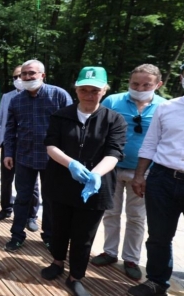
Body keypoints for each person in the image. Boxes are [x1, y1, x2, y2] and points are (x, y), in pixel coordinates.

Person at [40, 66, 126, 296]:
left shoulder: (114, 120)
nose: (89, 94)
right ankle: (57, 262)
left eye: (95, 90)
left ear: (104, 91)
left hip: (95, 188)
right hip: (61, 181)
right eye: (84, 89)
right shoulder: (61, 116)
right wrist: (71, 164)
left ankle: (75, 275)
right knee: (58, 228)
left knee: (84, 235)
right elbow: (51, 145)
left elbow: (114, 153)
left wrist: (96, 174)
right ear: (76, 89)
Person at [91, 64, 166, 280]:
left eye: (146, 85)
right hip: (111, 167)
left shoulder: (164, 107)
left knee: (137, 217)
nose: (140, 88)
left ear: (158, 85)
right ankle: (110, 252)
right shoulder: (112, 101)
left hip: (145, 172)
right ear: (128, 82)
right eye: (135, 83)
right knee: (111, 212)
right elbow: (98, 131)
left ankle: (131, 259)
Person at [3, 59, 72, 252]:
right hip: (24, 156)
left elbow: (70, 127)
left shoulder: (59, 95)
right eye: (24, 74)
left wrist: (68, 156)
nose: (27, 77)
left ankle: (49, 236)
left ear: (43, 75)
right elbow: (10, 128)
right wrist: (8, 153)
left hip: (53, 158)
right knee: (22, 197)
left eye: (31, 73)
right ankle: (17, 235)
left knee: (50, 199)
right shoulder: (16, 100)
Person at [127, 65, 184, 296]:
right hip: (162, 178)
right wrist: (139, 175)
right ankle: (157, 282)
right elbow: (150, 143)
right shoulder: (168, 107)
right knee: (159, 235)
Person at [0, 65, 40, 233]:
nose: (19, 79)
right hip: (9, 143)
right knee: (6, 179)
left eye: (22, 75)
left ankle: (31, 216)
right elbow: (0, 119)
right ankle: (6, 208)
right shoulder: (8, 97)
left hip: (29, 145)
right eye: (15, 77)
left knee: (31, 184)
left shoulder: (38, 96)